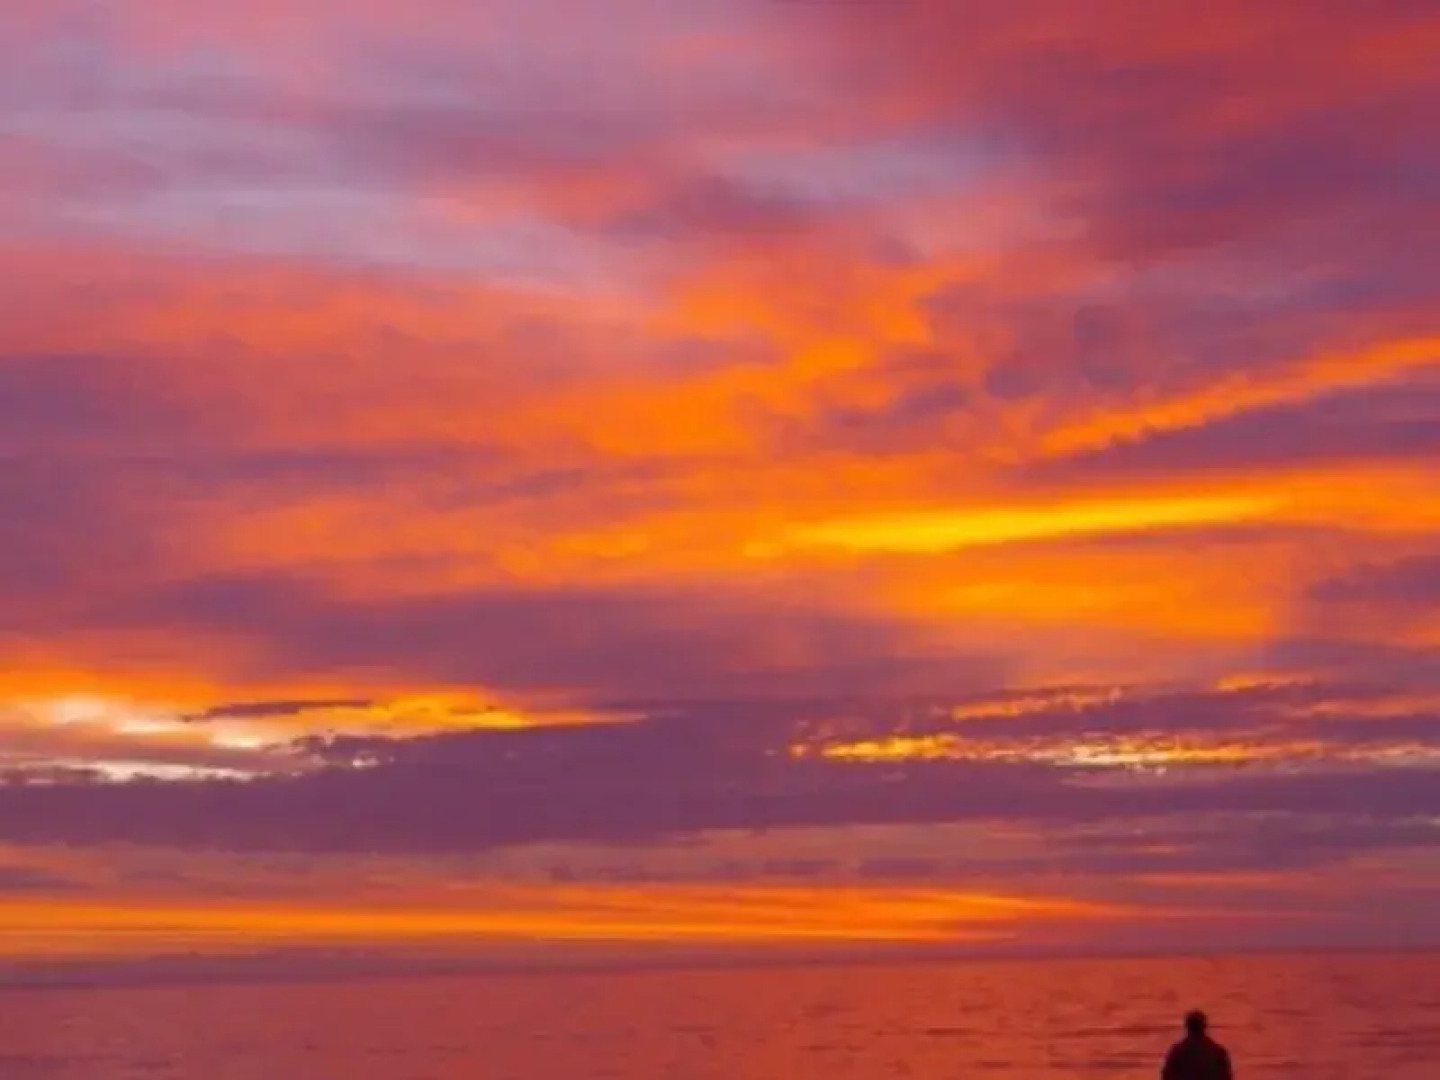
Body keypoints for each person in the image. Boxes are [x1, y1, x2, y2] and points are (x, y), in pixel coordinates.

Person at [1161, 1010, 1233, 1080]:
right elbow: (1226, 1076)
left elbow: (1167, 1076)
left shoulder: (1177, 1051)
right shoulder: (1217, 1052)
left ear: (1187, 1026)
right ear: (1204, 1026)